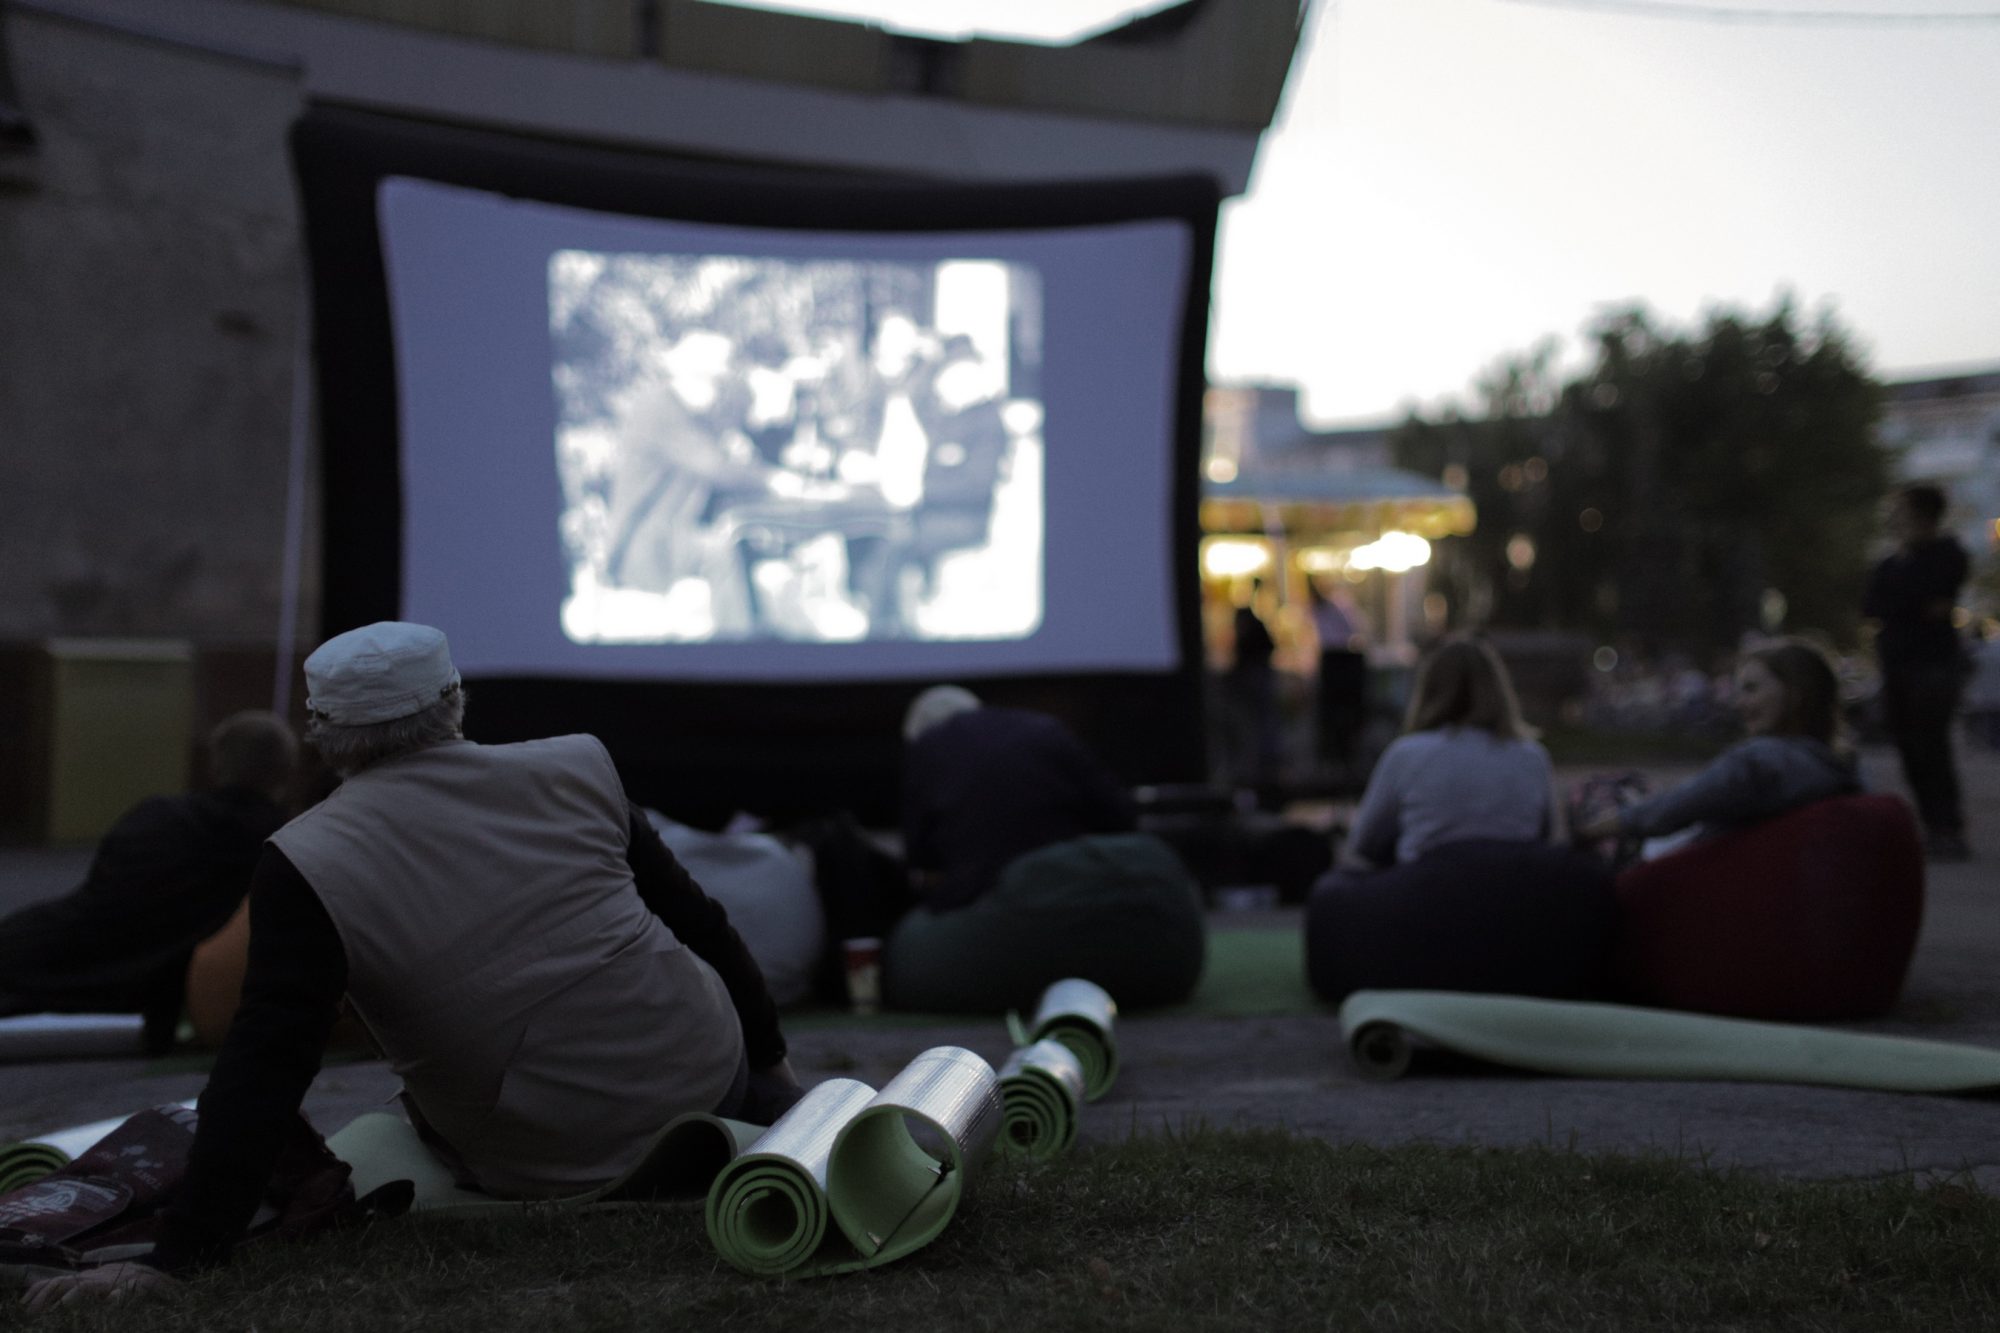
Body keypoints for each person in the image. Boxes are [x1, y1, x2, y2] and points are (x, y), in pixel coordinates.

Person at [25, 622, 800, 1307]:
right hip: (709, 1077)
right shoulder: (580, 764)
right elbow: (702, 925)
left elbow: (267, 1059)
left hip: (549, 1158)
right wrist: (770, 1065)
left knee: (386, 1123)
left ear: (322, 732)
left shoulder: (306, 858)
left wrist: (180, 1257)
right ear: (455, 699)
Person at [0, 711, 297, 1053]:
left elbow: (101, 897)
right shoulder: (282, 846)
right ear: (286, 772)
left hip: (61, 948)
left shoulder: (158, 817)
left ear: (216, 764)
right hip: (160, 981)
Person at [1575, 637, 1861, 854]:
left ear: (1795, 695)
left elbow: (1669, 811)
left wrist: (1594, 829)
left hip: (1681, 883)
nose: (1739, 703)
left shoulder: (1761, 761)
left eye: (1751, 689)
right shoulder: (1840, 767)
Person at [900, 685, 1137, 912]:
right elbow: (1119, 813)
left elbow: (921, 857)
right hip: (1082, 888)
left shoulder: (929, 747)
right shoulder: (1045, 728)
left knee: (912, 939)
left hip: (988, 905)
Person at [1338, 635, 1560, 870]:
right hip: (1516, 892)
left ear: (1428, 690)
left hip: (1427, 892)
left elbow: (1364, 843)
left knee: (1333, 888)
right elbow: (1548, 838)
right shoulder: (1532, 756)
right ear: (1499, 690)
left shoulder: (1407, 754)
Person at [1862, 483, 1973, 860]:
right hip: (1897, 666)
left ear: (1923, 514)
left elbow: (1934, 604)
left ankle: (1947, 827)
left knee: (1932, 745)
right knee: (1909, 746)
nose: (1893, 517)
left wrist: (1903, 605)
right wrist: (1909, 604)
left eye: (1901, 509)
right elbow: (1873, 607)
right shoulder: (1890, 563)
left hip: (1933, 666)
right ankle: (1932, 825)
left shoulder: (1946, 554)